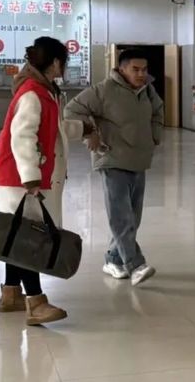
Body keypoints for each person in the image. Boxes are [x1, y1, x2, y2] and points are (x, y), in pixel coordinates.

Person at [0, 37, 91, 325]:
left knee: (17, 232)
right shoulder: (32, 94)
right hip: (20, 179)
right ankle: (36, 302)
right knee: (28, 238)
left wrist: (84, 128)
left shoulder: (45, 91)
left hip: (22, 176)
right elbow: (22, 136)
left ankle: (11, 294)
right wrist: (31, 178)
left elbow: (54, 128)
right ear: (56, 63)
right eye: (64, 62)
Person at [66, 48, 164, 287]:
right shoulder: (103, 91)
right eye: (135, 69)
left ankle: (113, 259)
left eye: (144, 69)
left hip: (138, 158)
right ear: (122, 69)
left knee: (133, 217)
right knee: (121, 216)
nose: (141, 74)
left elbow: (157, 111)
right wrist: (90, 133)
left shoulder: (147, 90)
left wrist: (154, 136)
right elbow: (72, 110)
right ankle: (135, 264)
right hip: (112, 158)